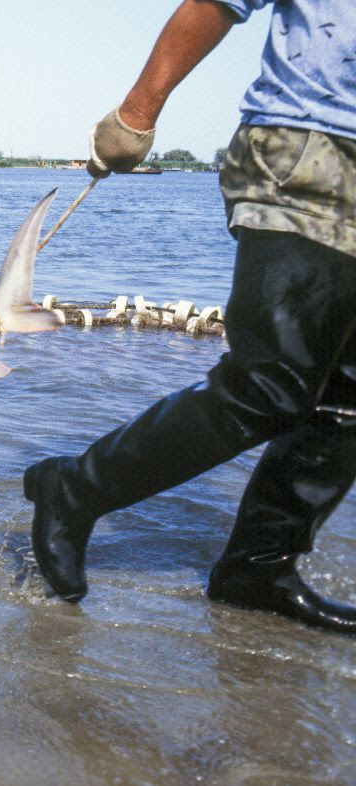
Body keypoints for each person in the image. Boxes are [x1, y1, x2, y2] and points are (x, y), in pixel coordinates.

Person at [25, 0, 356, 634]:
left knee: (345, 400)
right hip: (309, 148)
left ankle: (257, 569)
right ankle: (75, 488)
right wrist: (135, 115)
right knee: (272, 383)